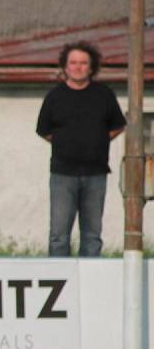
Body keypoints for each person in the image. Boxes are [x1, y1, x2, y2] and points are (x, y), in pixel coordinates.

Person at [36, 41, 126, 257]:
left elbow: (117, 126)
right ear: (65, 67)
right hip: (62, 174)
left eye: (83, 63)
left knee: (92, 236)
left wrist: (95, 141)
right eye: (73, 63)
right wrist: (67, 143)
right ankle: (59, 281)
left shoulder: (104, 95)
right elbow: (44, 130)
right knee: (58, 235)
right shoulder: (55, 96)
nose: (78, 67)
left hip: (96, 173)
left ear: (91, 67)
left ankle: (91, 283)